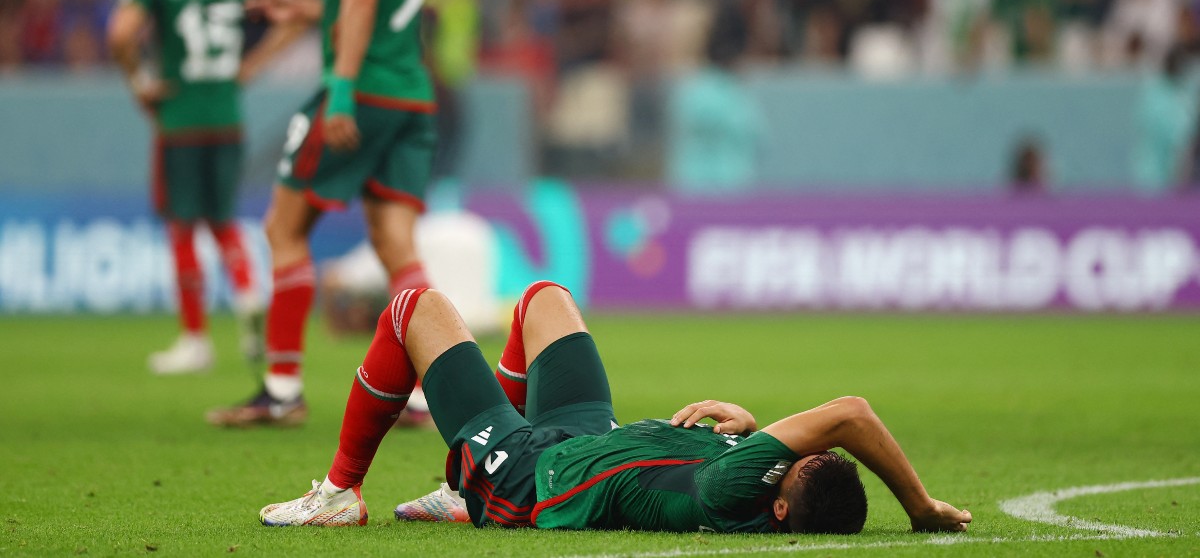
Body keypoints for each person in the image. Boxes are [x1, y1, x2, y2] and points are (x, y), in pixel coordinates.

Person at [258, 282, 973, 535]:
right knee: (544, 300)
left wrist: (920, 506)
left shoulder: (735, 491)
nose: (790, 452)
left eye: (796, 464)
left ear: (779, 507)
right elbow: (800, 445)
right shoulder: (751, 484)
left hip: (532, 478)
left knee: (414, 308)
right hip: (592, 438)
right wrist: (749, 428)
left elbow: (850, 411)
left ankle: (341, 492)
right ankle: (451, 490)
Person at [206, 0, 437, 427]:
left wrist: (338, 94)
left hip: (360, 90)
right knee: (396, 244)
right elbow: (381, 2)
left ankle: (282, 391)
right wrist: (312, 8)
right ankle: (423, 393)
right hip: (410, 93)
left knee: (284, 228)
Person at [108, 0, 280, 375]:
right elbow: (287, 17)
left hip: (180, 119)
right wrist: (252, 65)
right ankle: (248, 294)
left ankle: (195, 338)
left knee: (183, 227)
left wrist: (140, 81)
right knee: (223, 221)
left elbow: (121, 34)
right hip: (227, 115)